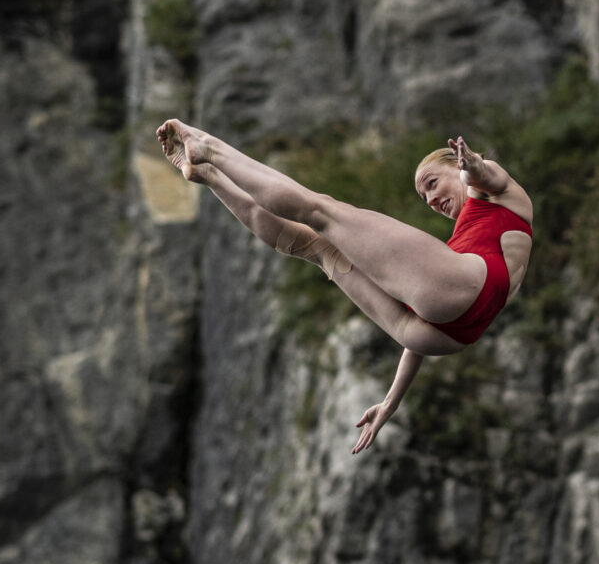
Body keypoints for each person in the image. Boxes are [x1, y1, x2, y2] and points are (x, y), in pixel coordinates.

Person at [155, 120, 536, 454]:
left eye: (433, 184)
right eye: (425, 197)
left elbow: (483, 175)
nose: (432, 200)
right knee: (315, 246)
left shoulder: (497, 193)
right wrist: (390, 402)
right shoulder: (462, 244)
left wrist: (472, 165)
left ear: (457, 164)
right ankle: (212, 178)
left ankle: (210, 150)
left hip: (454, 304)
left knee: (321, 212)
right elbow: (437, 307)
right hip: (432, 334)